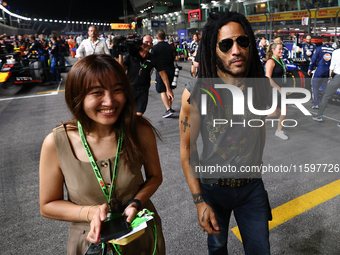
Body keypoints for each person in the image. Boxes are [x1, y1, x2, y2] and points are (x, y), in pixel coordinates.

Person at [39, 54, 165, 255]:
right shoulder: (56, 142)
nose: (110, 101)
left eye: (117, 90)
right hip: (90, 241)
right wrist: (90, 212)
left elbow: (155, 177)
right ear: (77, 96)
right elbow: (48, 205)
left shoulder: (139, 130)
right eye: (97, 92)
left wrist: (136, 202)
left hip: (139, 234)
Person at [179, 10, 272, 255]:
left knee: (261, 249)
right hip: (213, 189)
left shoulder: (258, 84)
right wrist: (199, 201)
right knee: (218, 249)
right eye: (226, 44)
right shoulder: (196, 93)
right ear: (213, 49)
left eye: (242, 41)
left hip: (252, 187)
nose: (236, 50)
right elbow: (188, 148)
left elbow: (259, 127)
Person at [118, 35, 173, 116]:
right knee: (127, 114)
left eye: (150, 43)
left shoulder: (153, 58)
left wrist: (168, 89)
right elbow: (121, 70)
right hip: (130, 89)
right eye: (146, 42)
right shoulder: (131, 55)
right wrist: (120, 55)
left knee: (139, 115)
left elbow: (163, 74)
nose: (148, 44)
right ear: (141, 43)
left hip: (143, 90)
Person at [312, 42, 340, 127]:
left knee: (326, 96)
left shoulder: (336, 52)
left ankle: (319, 116)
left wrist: (329, 78)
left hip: (337, 77)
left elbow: (331, 67)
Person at [265, 42, 289, 140]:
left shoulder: (281, 61)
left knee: (281, 111)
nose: (281, 51)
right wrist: (279, 89)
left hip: (281, 90)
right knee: (276, 112)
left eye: (282, 49)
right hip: (274, 90)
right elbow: (268, 78)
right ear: (273, 50)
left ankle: (279, 131)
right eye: (279, 49)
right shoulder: (271, 61)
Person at [151, 30, 177, 118]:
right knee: (169, 88)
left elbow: (152, 60)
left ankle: (168, 109)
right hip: (171, 69)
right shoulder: (170, 46)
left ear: (157, 37)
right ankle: (170, 107)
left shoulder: (154, 48)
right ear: (165, 37)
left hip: (161, 71)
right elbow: (175, 57)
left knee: (162, 90)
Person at [308, 36, 334, 109]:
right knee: (326, 88)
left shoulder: (319, 48)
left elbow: (313, 59)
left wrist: (310, 68)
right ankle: (323, 103)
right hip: (328, 71)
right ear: (329, 42)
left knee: (315, 87)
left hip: (319, 70)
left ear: (322, 42)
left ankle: (316, 104)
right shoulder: (333, 50)